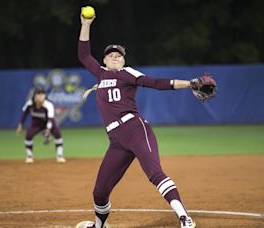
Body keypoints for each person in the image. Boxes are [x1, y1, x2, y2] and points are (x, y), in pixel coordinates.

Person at [76, 10, 197, 228]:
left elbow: (157, 83)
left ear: (123, 61)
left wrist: (189, 83)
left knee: (154, 173)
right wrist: (86, 24)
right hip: (116, 141)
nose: (114, 57)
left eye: (119, 55)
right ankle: (100, 225)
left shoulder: (128, 73)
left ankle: (184, 217)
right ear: (104, 60)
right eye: (110, 55)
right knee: (100, 191)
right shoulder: (101, 74)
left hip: (135, 129)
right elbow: (84, 55)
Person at [16, 89, 66, 164]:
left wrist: (48, 129)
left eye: (42, 94)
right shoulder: (29, 104)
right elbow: (24, 115)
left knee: (58, 134)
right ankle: (29, 157)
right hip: (36, 124)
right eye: (38, 94)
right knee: (28, 136)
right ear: (34, 96)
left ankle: (59, 156)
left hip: (48, 123)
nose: (41, 96)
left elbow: (51, 119)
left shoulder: (48, 105)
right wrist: (20, 125)